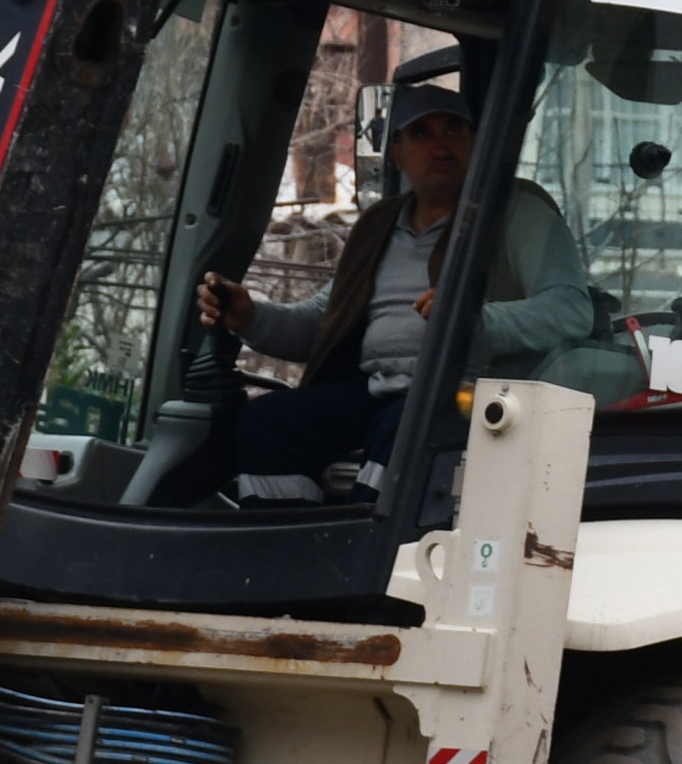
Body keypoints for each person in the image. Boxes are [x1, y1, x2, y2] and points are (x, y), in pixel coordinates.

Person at [192, 80, 628, 499]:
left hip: (471, 394)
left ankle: (363, 553)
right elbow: (324, 324)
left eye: (454, 129)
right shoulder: (377, 226)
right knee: (266, 425)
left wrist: (475, 320)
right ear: (396, 153)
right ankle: (285, 541)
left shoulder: (515, 213)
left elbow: (570, 309)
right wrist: (249, 316)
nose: (440, 145)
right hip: (377, 391)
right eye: (421, 133)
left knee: (406, 429)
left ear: (477, 142)